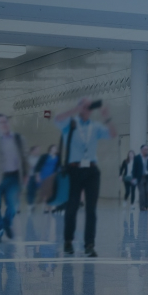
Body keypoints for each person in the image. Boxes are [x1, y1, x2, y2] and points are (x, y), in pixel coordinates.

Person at [54, 98, 117, 257]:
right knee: (72, 206)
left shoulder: (95, 126)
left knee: (91, 209)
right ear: (80, 107)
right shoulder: (71, 123)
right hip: (74, 170)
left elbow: (112, 134)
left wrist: (107, 117)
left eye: (90, 107)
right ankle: (68, 241)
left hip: (92, 171)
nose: (88, 109)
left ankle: (89, 244)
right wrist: (75, 110)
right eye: (85, 106)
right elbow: (57, 119)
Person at [0, 114, 29, 243]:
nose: (4, 124)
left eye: (5, 122)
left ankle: (7, 223)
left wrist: (26, 174)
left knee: (13, 206)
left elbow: (25, 158)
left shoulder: (19, 139)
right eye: (1, 123)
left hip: (14, 177)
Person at [33, 145, 61, 213]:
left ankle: (52, 206)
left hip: (53, 175)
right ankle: (45, 207)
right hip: (44, 174)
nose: (54, 150)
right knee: (45, 192)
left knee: (52, 191)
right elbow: (38, 166)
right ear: (50, 149)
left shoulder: (58, 157)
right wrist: (37, 175)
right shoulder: (44, 156)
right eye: (53, 148)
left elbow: (59, 166)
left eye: (55, 149)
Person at [131, 145, 148, 210]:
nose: (147, 151)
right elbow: (134, 168)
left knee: (147, 191)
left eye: (147, 149)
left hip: (147, 177)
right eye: (145, 149)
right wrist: (133, 177)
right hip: (140, 177)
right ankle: (142, 206)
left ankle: (146, 205)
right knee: (141, 192)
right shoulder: (137, 158)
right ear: (142, 150)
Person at [25, 146, 42, 213]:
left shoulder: (39, 158)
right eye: (36, 150)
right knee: (30, 191)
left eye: (38, 150)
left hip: (38, 177)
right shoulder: (28, 158)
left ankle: (33, 205)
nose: (38, 152)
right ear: (32, 151)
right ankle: (30, 206)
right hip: (30, 176)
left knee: (36, 191)